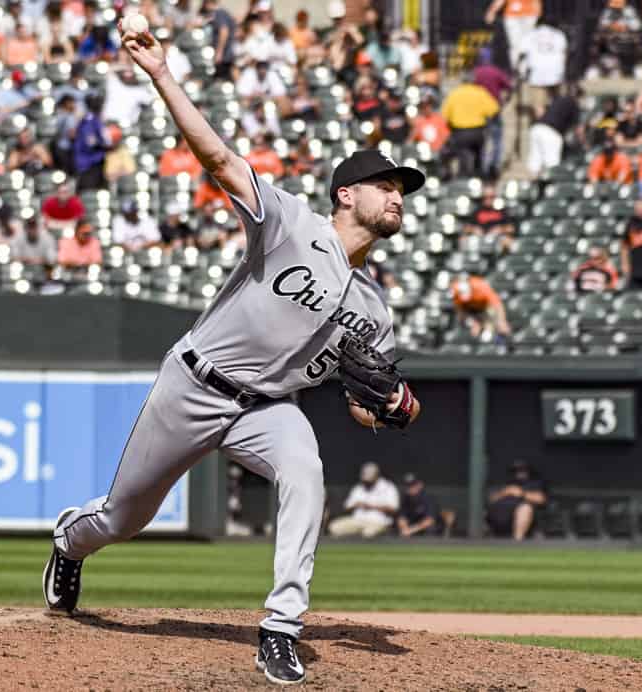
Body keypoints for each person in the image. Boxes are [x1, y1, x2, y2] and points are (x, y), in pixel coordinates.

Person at [43, 21, 425, 688]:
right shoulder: (288, 224)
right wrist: (162, 74)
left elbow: (361, 399)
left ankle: (281, 628)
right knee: (122, 518)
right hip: (193, 384)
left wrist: (388, 407)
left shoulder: (374, 307)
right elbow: (220, 160)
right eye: (385, 184)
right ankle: (68, 541)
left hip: (267, 409)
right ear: (346, 193)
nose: (398, 195)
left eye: (403, 188)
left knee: (305, 468)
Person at [440, 77, 499, 178]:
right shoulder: (480, 93)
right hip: (478, 132)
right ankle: (478, 176)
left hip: (460, 132)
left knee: (462, 157)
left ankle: (463, 178)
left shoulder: (455, 93)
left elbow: (445, 115)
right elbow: (494, 109)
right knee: (478, 156)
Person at [327, 462, 400, 538]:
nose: (367, 481)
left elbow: (394, 509)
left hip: (379, 522)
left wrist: (371, 506)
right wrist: (357, 505)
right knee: (334, 527)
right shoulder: (358, 488)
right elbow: (347, 506)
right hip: (357, 520)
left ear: (376, 476)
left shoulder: (388, 487)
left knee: (368, 533)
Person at [527, 83, 580, 178]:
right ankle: (550, 188)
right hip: (551, 132)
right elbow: (578, 128)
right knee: (552, 163)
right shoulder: (573, 104)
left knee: (535, 161)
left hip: (537, 128)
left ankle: (533, 183)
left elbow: (541, 111)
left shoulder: (559, 99)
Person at [486, 460, 547, 540]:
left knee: (525, 508)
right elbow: (492, 499)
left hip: (523, 515)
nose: (519, 473)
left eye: (522, 470)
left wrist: (521, 493)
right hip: (501, 514)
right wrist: (505, 492)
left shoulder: (535, 483)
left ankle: (517, 542)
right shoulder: (506, 482)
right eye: (516, 470)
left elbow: (541, 499)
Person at [484, 0, 542, 73]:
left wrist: (538, 11)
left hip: (529, 14)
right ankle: (518, 71)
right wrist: (492, 11)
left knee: (528, 44)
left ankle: (529, 70)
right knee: (514, 45)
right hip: (513, 15)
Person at [452, 274, 512, 340]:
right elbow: (461, 310)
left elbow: (497, 304)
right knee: (471, 327)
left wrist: (501, 320)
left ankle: (496, 335)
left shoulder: (480, 287)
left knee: (499, 324)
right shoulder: (456, 291)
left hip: (486, 306)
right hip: (472, 310)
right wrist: (473, 322)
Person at [593, 0, 642, 77]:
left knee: (637, 39)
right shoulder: (608, 12)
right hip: (610, 40)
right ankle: (601, 67)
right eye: (614, 7)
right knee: (598, 39)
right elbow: (602, 24)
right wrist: (612, 27)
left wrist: (624, 27)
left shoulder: (629, 11)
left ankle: (635, 66)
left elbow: (636, 26)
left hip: (626, 40)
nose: (616, 9)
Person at [73, 91, 110, 191]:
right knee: (89, 193)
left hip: (96, 163)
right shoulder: (89, 120)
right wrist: (107, 146)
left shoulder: (96, 119)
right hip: (89, 164)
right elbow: (90, 142)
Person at [465, 183, 516, 251]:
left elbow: (511, 228)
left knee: (508, 241)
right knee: (464, 240)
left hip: (498, 238)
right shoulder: (477, 211)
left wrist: (500, 229)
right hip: (480, 239)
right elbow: (467, 228)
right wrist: (474, 230)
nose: (488, 199)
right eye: (486, 197)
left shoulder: (501, 210)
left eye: (491, 197)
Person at [396, 473, 442, 538]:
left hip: (427, 529)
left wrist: (411, 530)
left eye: (413, 485)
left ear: (420, 485)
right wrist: (404, 529)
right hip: (412, 526)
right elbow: (401, 517)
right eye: (407, 485)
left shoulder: (428, 497)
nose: (410, 488)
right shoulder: (404, 498)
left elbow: (430, 520)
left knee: (430, 528)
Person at [201, 0, 237, 80]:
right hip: (225, 55)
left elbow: (224, 31)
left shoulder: (219, 13)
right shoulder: (221, 13)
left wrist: (219, 52)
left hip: (223, 56)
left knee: (221, 80)